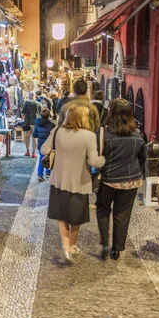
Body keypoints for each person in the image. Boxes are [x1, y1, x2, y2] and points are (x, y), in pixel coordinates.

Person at [42, 105, 105, 265]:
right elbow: (93, 161)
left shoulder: (57, 131)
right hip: (79, 182)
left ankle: (65, 244)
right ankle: (72, 245)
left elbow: (44, 149)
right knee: (76, 217)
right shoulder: (89, 136)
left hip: (58, 180)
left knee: (61, 214)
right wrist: (103, 160)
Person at [95, 98, 147, 261]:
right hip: (131, 180)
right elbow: (142, 158)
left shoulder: (103, 133)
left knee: (103, 209)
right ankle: (117, 249)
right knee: (122, 214)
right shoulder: (138, 135)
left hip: (109, 178)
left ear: (111, 112)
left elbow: (97, 155)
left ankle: (104, 242)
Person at [32, 108, 56, 182]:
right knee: (50, 158)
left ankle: (40, 174)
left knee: (41, 158)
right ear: (49, 116)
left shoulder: (37, 124)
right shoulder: (52, 125)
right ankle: (48, 172)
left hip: (41, 144)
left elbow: (34, 135)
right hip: (50, 145)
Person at [21, 92, 42, 157]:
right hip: (36, 123)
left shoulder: (26, 103)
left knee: (27, 137)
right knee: (34, 138)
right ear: (34, 96)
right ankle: (33, 153)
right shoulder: (39, 104)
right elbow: (41, 114)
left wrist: (24, 119)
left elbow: (23, 113)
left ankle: (27, 151)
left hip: (27, 123)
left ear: (29, 96)